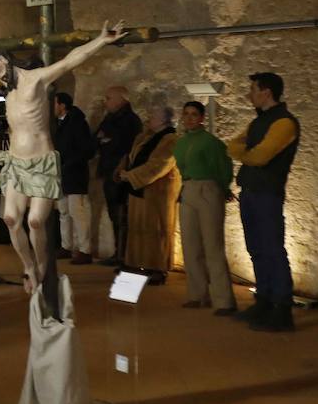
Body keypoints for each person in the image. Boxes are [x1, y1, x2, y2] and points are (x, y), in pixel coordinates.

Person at [0, 24, 128, 302]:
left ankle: (42, 268)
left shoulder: (36, 79)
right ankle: (29, 267)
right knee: (10, 218)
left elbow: (70, 60)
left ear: (4, 61)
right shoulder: (8, 82)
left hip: (41, 163)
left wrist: (101, 40)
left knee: (35, 222)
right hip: (16, 163)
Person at [227, 72, 300, 332]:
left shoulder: (284, 123)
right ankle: (264, 301)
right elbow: (234, 145)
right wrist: (246, 152)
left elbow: (260, 157)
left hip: (267, 193)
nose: (250, 95)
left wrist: (244, 153)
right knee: (256, 248)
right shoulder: (260, 121)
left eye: (253, 90)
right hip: (251, 191)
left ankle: (282, 308)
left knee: (272, 249)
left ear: (266, 92)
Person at [172, 101, 236, 314]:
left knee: (213, 245)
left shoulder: (211, 143)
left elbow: (223, 167)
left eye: (194, 114)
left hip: (208, 188)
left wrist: (223, 188)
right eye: (186, 114)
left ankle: (224, 300)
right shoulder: (180, 143)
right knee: (190, 245)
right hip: (188, 188)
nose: (189, 118)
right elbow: (183, 168)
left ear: (201, 118)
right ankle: (197, 294)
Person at [118, 105, 181, 283]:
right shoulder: (146, 136)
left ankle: (158, 267)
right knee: (139, 227)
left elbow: (159, 165)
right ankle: (139, 262)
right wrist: (124, 171)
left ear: (163, 120)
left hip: (157, 192)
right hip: (139, 189)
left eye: (153, 114)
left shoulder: (170, 140)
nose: (149, 117)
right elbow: (132, 156)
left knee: (157, 229)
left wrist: (131, 176)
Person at [94, 85, 143, 267]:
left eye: (108, 98)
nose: (105, 102)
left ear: (122, 99)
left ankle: (125, 255)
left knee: (122, 216)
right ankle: (118, 252)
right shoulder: (110, 119)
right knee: (115, 215)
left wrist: (107, 140)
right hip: (109, 170)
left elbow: (127, 146)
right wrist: (104, 140)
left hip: (120, 174)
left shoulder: (130, 120)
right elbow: (97, 138)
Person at [52, 92, 98, 264]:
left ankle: (85, 250)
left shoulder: (78, 123)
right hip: (63, 174)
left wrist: (68, 163)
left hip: (75, 173)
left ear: (62, 105)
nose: (52, 107)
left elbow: (86, 150)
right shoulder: (59, 123)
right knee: (63, 211)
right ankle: (66, 245)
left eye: (54, 103)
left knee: (78, 212)